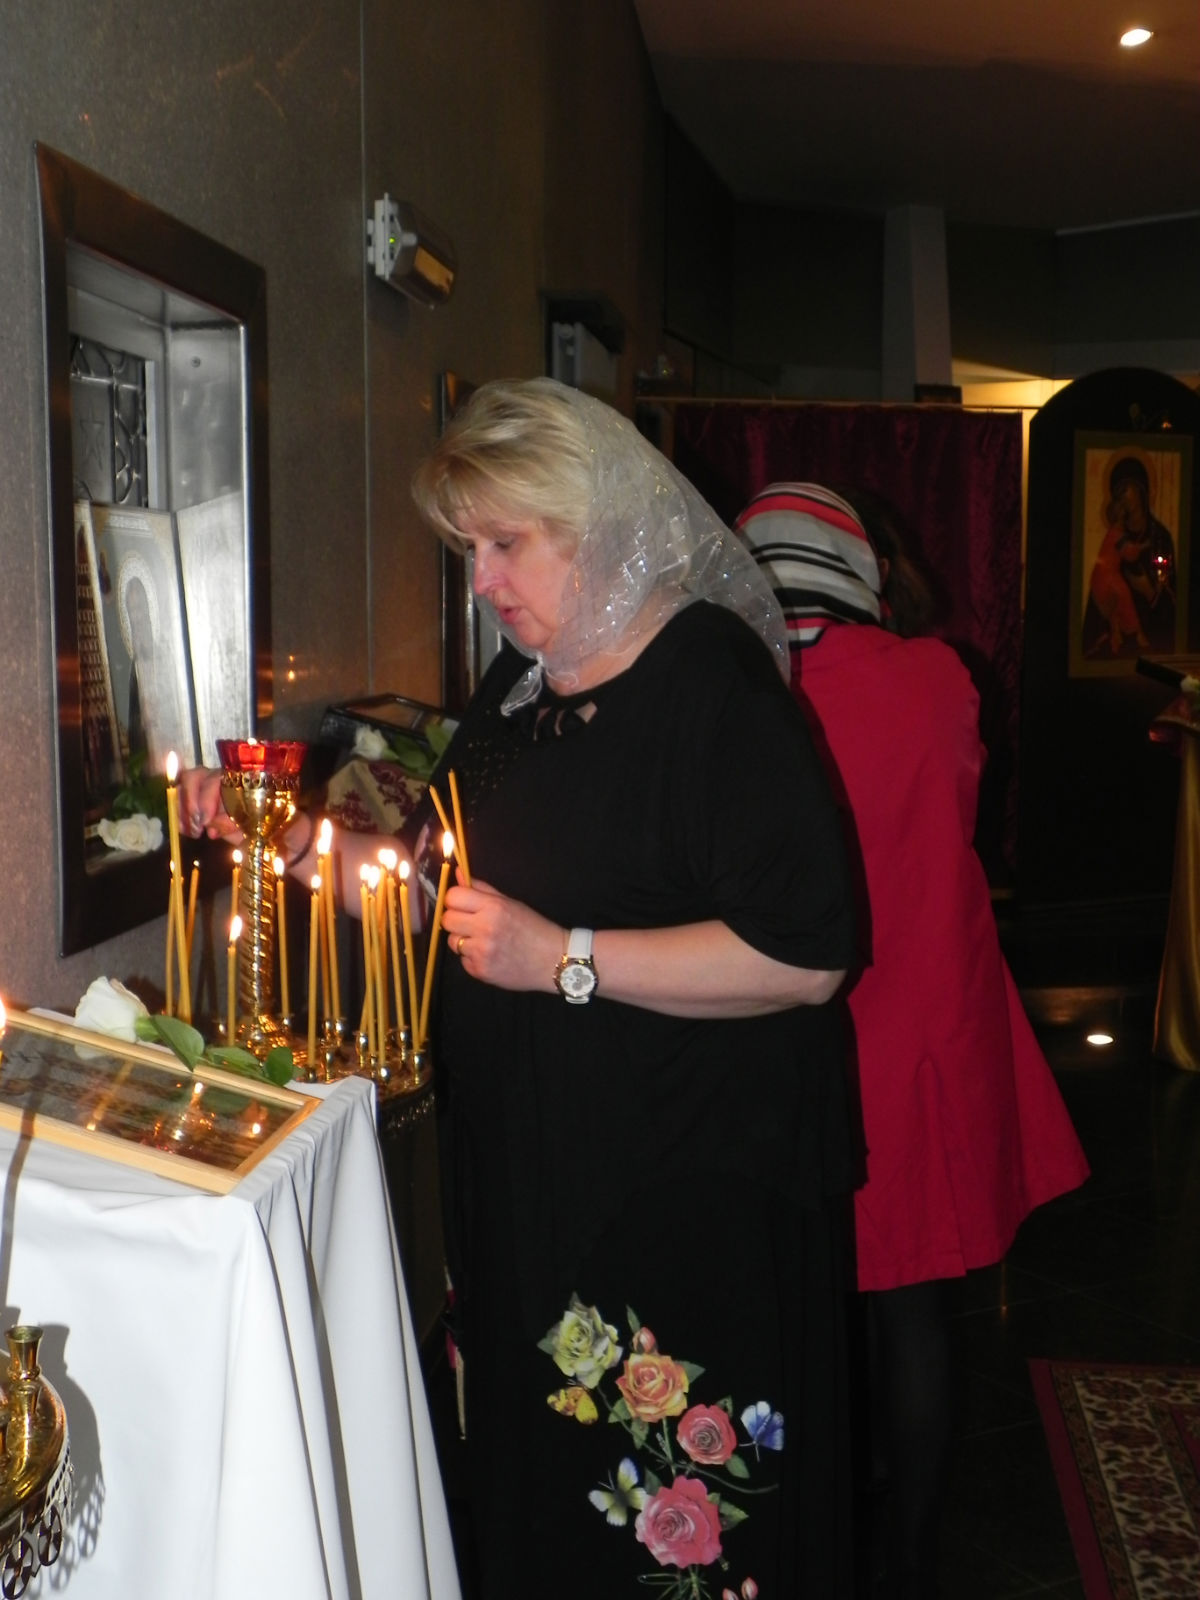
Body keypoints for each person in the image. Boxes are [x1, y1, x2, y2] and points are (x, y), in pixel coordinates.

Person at [182, 381, 859, 1600]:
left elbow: (807, 954)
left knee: (665, 1533)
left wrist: (570, 958)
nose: (483, 579)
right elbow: (443, 884)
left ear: (593, 522)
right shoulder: (520, 686)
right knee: (547, 1506)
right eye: (469, 549)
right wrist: (284, 846)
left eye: (506, 544)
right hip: (540, 1187)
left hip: (675, 1199)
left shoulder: (708, 682)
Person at [735, 482, 1090, 1600]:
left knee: (798, 1305)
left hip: (783, 1034)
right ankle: (912, 1560)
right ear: (866, 572)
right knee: (917, 1310)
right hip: (924, 1027)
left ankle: (814, 1541)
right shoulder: (938, 681)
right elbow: (959, 812)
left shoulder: (736, 689)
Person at [1083, 453, 1176, 657]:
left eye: (1125, 489)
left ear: (1141, 489)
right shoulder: (1115, 536)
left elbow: (1172, 603)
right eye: (1117, 494)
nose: (1122, 498)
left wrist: (1148, 591)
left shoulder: (1159, 537)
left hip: (1153, 647)